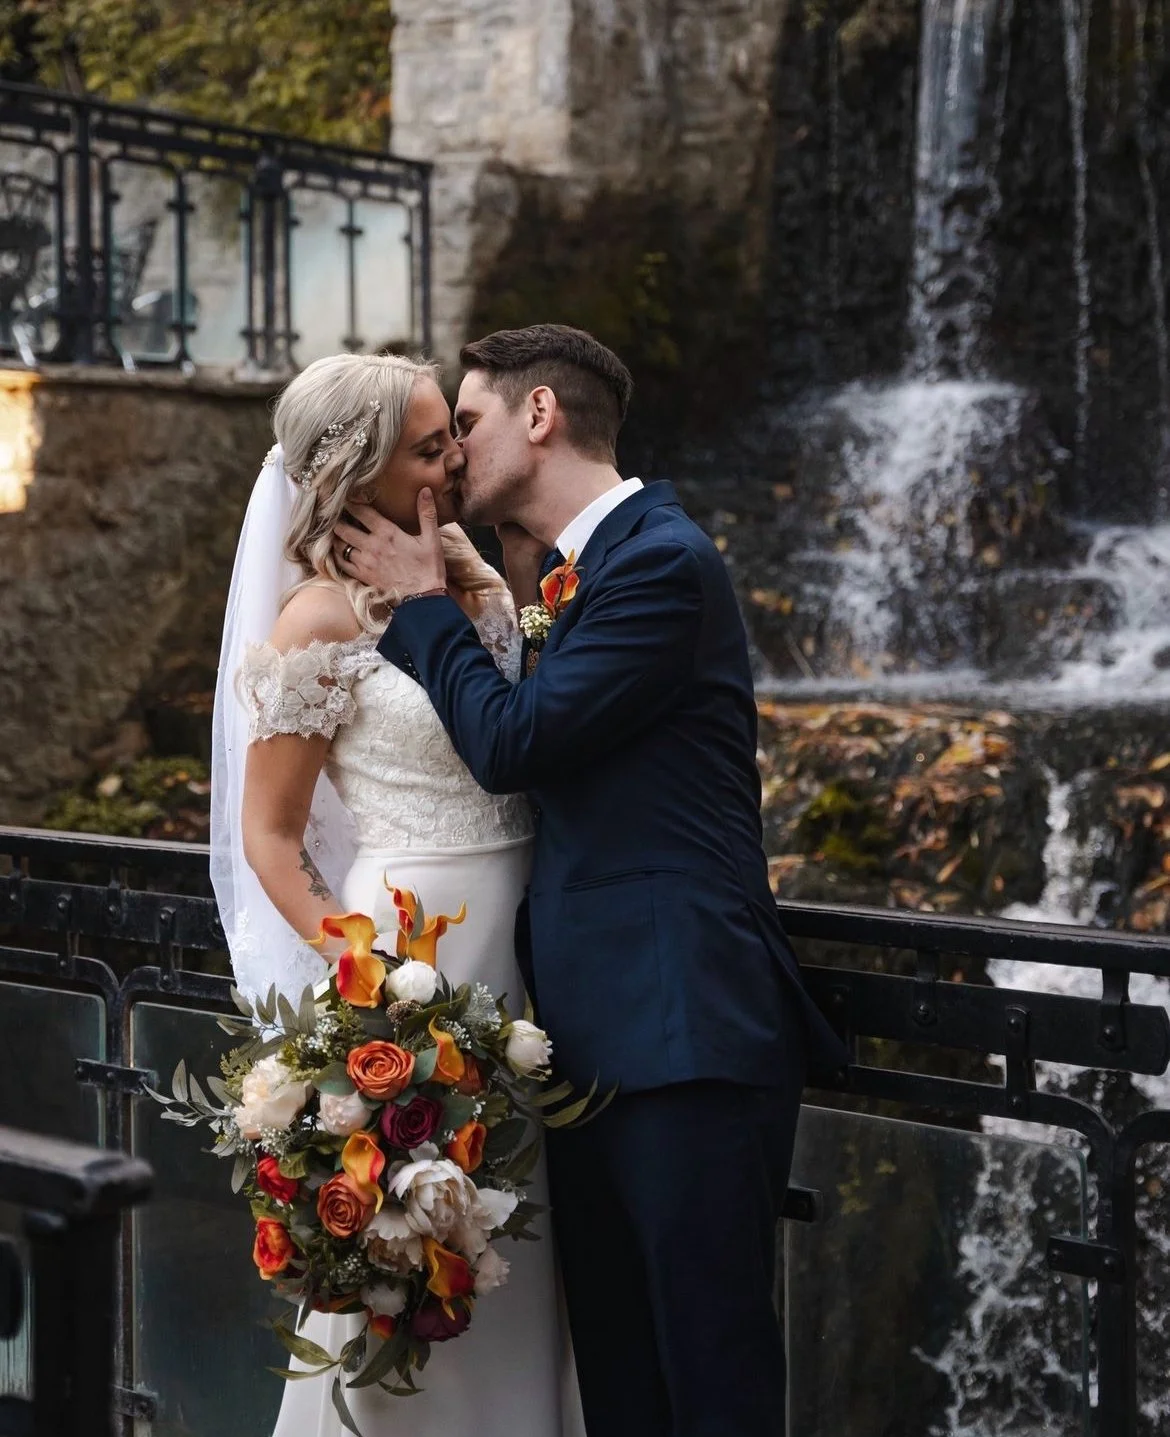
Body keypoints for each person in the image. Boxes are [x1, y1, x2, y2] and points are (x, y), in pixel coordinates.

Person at [333, 323, 849, 1437]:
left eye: (465, 421)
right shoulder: (570, 575)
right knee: (621, 1383)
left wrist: (425, 605)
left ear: (540, 415)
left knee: (707, 1376)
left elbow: (518, 742)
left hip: (684, 1033)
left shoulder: (662, 559)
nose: (454, 452)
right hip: (587, 1045)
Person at [209, 351, 583, 1437]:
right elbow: (272, 841)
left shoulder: (472, 571)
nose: (459, 456)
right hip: (416, 955)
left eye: (450, 435)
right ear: (356, 471)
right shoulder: (317, 622)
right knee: (421, 1238)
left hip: (531, 949)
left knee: (528, 1244)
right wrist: (377, 982)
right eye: (431, 447)